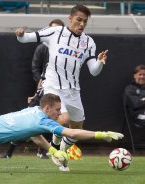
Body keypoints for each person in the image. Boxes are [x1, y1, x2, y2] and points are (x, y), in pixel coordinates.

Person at [15, 4, 108, 171]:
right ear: (70, 18)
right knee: (63, 119)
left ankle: (60, 153)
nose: (81, 24)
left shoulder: (89, 42)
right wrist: (20, 35)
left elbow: (94, 71)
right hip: (53, 86)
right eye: (79, 20)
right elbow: (26, 38)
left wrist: (100, 62)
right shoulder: (55, 33)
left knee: (77, 127)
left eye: (85, 22)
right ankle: (55, 146)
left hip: (73, 90)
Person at [1, 19, 66, 159]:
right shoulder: (42, 48)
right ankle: (9, 151)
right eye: (52, 29)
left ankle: (46, 150)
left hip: (59, 91)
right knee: (27, 118)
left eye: (58, 30)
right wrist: (38, 90)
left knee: (55, 120)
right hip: (43, 90)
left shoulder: (65, 50)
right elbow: (37, 70)